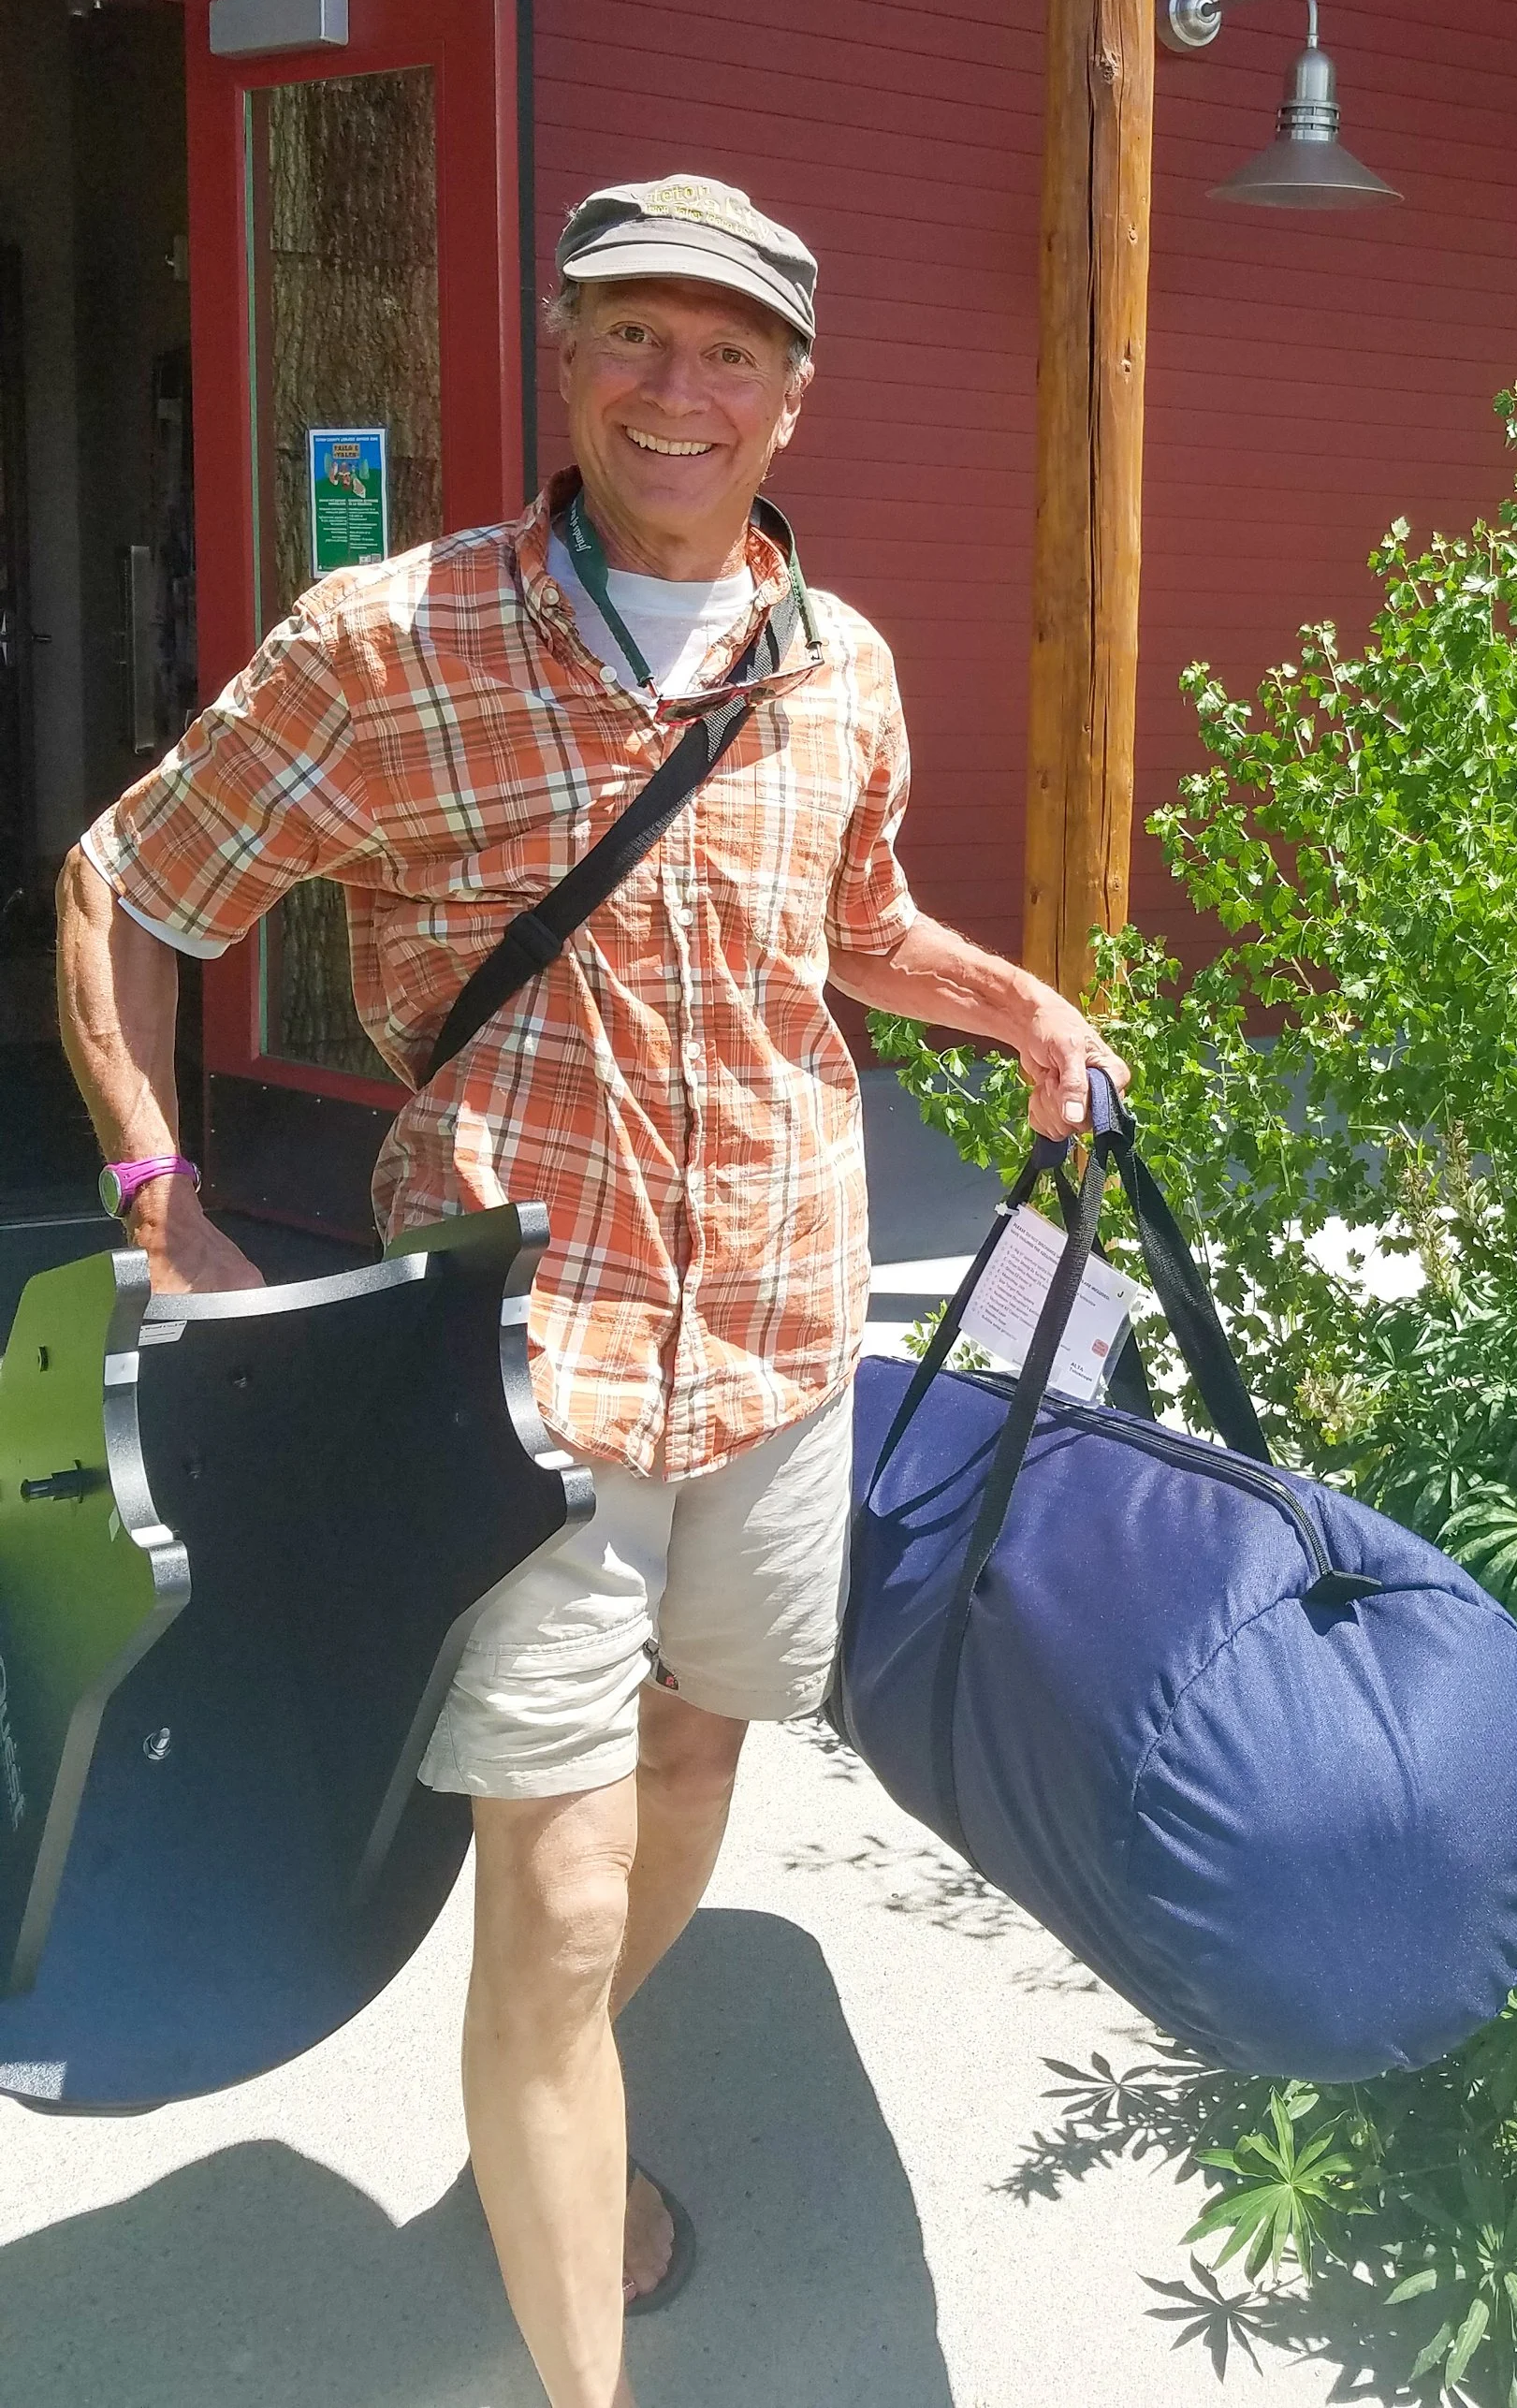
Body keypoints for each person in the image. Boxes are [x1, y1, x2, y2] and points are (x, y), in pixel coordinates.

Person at [54, 175, 1127, 2408]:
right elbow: (125, 882)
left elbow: (850, 927)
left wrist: (1010, 999)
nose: (678, 387)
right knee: (543, 1897)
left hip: (776, 1338)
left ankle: (550, 2105)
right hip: (515, 1378)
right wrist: (161, 1188)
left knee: (693, 1767)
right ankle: (566, 2289)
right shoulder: (393, 641)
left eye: (727, 349)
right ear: (562, 363)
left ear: (791, 395)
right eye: (634, 334)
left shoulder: (839, 667)